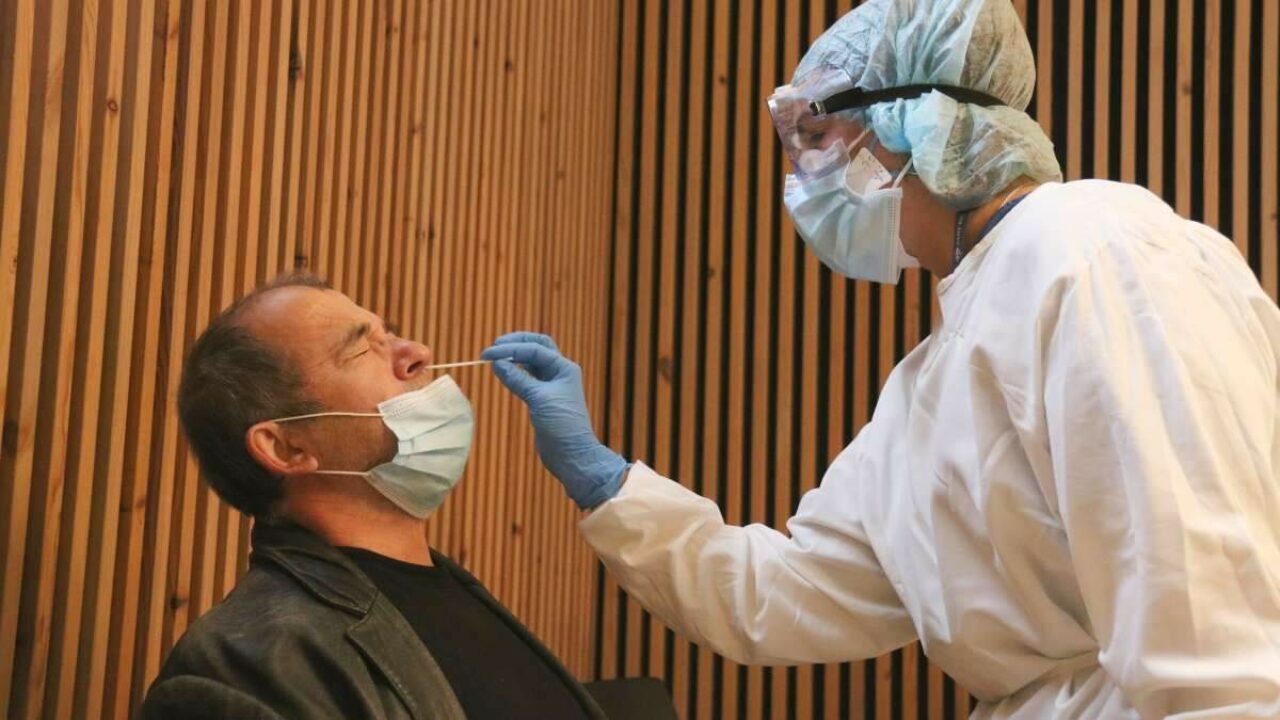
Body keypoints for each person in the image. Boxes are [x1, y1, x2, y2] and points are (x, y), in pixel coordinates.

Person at [481, 0, 1280, 717]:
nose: (802, 175)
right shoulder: (927, 385)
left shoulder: (1097, 251)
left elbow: (1218, 640)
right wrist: (605, 481)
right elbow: (781, 596)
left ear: (909, 120)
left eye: (816, 136)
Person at [141, 273, 613, 720]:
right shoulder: (244, 668)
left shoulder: (453, 594)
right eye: (362, 348)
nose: (419, 353)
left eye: (389, 334)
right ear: (286, 447)